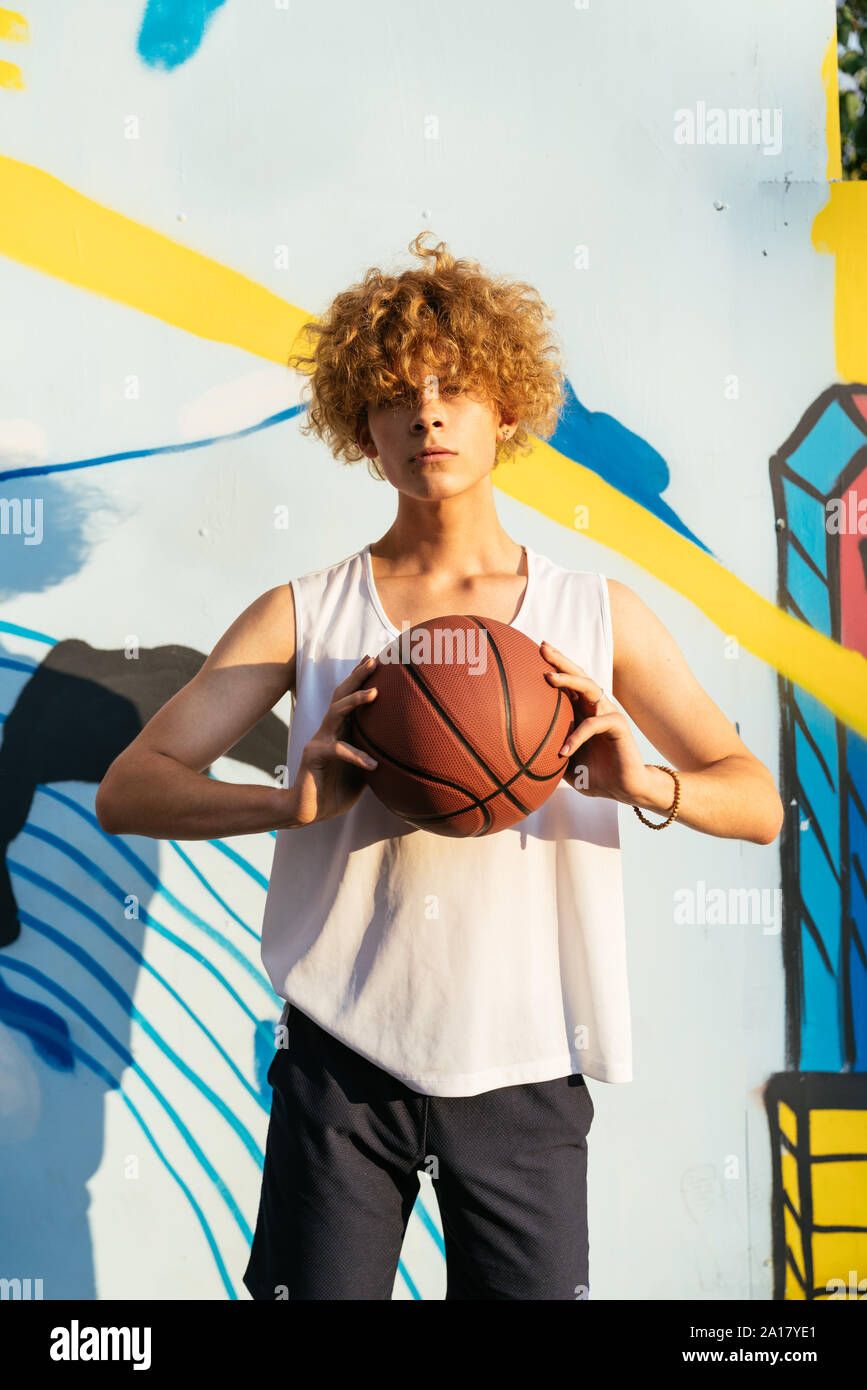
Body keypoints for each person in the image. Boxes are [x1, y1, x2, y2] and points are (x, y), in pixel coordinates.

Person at [95, 232, 784, 1300]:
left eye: (454, 387)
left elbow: (757, 803)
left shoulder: (596, 616)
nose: (426, 413)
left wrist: (643, 781)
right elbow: (129, 786)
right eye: (395, 396)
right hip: (343, 1065)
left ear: (505, 410)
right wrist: (290, 798)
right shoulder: (306, 615)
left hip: (526, 1063)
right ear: (359, 429)